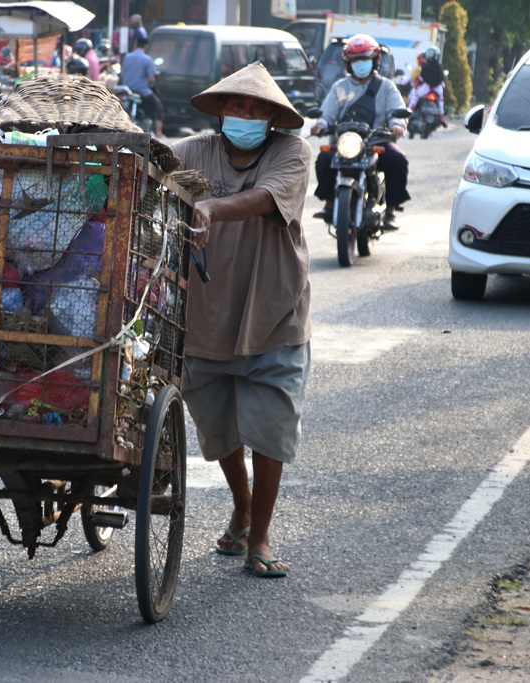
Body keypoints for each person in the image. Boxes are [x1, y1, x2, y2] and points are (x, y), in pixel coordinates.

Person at [167, 62, 311, 578]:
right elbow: (153, 162)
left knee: (268, 428)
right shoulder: (195, 150)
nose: (243, 115)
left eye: (254, 109)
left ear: (272, 118)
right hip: (205, 312)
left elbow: (265, 199)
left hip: (273, 310)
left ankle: (262, 535)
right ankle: (243, 505)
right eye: (235, 105)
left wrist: (209, 207)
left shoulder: (291, 153)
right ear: (222, 109)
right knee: (218, 427)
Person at [310, 34, 409, 228]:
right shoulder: (340, 87)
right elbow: (327, 112)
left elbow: (397, 111)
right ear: (348, 63)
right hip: (345, 142)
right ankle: (330, 205)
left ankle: (390, 211)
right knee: (323, 159)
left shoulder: (387, 87)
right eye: (356, 60)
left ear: (374, 60)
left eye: (364, 59)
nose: (360, 64)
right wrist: (320, 124)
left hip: (376, 141)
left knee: (398, 160)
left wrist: (397, 125)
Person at [119, 36, 164, 137]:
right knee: (158, 107)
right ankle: (158, 132)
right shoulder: (147, 59)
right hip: (142, 91)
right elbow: (151, 78)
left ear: (136, 44)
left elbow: (122, 75)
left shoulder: (127, 57)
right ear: (146, 46)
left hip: (128, 91)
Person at [406, 46, 447, 128]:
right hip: (437, 88)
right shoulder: (440, 67)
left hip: (427, 87)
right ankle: (441, 117)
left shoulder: (425, 67)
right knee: (441, 100)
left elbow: (421, 79)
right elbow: (442, 80)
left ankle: (409, 113)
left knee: (415, 96)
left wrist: (417, 86)